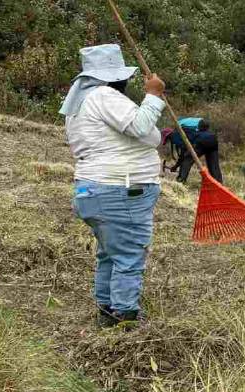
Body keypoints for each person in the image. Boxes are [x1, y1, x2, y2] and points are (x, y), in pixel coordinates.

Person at [59, 44, 165, 328]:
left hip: (92, 190)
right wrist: (153, 96)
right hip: (121, 189)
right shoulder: (104, 95)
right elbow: (141, 126)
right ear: (115, 77)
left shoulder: (78, 104)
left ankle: (107, 311)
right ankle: (124, 318)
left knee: (110, 253)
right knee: (129, 254)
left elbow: (141, 134)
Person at [176, 119, 223, 184]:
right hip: (213, 140)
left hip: (201, 141)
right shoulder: (209, 133)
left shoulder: (186, 132)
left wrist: (177, 165)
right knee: (214, 165)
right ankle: (218, 183)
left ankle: (181, 180)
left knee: (187, 159)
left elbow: (183, 153)